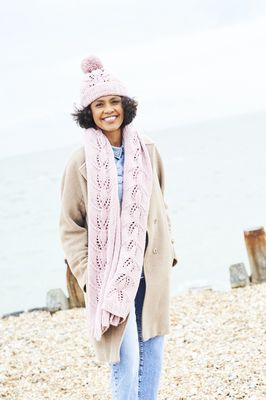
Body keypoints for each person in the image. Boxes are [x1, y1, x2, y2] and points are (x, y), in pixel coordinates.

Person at [59, 55, 178, 400]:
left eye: (114, 101)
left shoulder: (148, 149)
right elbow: (70, 226)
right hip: (108, 276)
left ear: (125, 105)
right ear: (89, 112)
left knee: (152, 352)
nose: (109, 109)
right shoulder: (79, 161)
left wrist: (170, 251)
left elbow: (161, 204)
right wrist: (86, 274)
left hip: (151, 269)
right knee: (125, 361)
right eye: (99, 104)